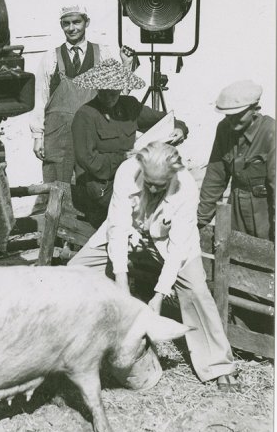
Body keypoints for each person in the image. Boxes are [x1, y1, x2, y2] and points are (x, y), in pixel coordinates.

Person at [69, 141, 240, 391]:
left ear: (173, 176)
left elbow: (178, 248)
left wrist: (160, 294)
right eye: (148, 182)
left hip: (170, 244)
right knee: (76, 271)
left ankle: (218, 365)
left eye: (159, 186)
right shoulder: (127, 171)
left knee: (195, 290)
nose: (151, 188)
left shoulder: (187, 187)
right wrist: (121, 283)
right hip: (129, 235)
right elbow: (116, 228)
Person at [71, 56, 189, 227]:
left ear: (121, 88)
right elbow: (89, 160)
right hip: (103, 187)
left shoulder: (129, 105)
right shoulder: (86, 115)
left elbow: (164, 120)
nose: (109, 96)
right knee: (154, 203)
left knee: (174, 188)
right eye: (104, 91)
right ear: (96, 88)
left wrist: (179, 128)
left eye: (114, 91)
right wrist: (123, 158)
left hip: (132, 177)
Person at [29, 5, 114, 183]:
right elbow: (39, 98)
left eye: (77, 22)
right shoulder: (50, 57)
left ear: (86, 22)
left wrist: (127, 64)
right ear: (61, 25)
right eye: (66, 23)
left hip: (92, 133)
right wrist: (38, 137)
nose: (72, 28)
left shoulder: (103, 54)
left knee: (93, 186)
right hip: (58, 135)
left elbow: (116, 94)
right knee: (57, 189)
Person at [197, 80, 275, 241]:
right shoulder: (224, 129)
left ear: (255, 109)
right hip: (235, 214)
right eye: (228, 115)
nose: (232, 121)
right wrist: (200, 221)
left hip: (265, 215)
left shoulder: (272, 132)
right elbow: (215, 177)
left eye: (238, 115)